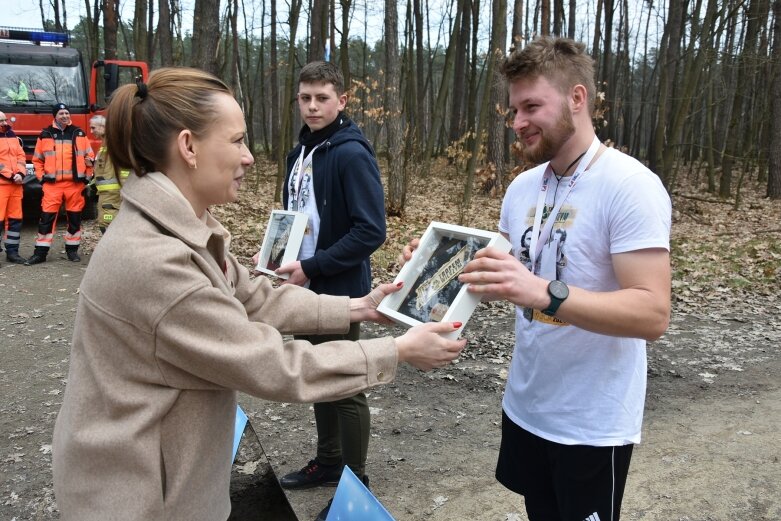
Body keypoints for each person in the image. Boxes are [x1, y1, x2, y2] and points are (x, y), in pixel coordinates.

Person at [51, 67, 466, 521]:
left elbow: (256, 297)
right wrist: (400, 351)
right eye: (237, 141)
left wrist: (358, 306)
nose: (249, 157)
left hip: (162, 480)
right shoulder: (157, 262)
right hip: (139, 498)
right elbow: (272, 365)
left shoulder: (184, 227)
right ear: (188, 147)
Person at [405, 37, 672, 521]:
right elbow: (497, 279)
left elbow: (652, 313)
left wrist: (545, 291)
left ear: (577, 98)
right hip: (528, 405)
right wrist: (431, 269)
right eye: (513, 110)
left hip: (591, 423)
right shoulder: (523, 187)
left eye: (531, 106)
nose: (518, 122)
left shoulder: (630, 186)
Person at [270, 61, 387, 521]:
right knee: (317, 374)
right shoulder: (301, 152)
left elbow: (370, 231)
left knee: (345, 381)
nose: (313, 106)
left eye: (322, 97)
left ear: (342, 100)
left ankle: (355, 487)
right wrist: (279, 258)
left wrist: (314, 265)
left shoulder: (350, 153)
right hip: (303, 282)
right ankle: (329, 460)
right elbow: (297, 215)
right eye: (305, 97)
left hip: (338, 287)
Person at [27, 103, 95, 264]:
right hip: (52, 185)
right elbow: (37, 160)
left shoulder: (79, 133)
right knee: (46, 220)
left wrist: (86, 177)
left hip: (75, 185)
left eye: (66, 113)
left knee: (74, 219)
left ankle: (72, 251)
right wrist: (42, 178)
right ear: (55, 116)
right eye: (61, 113)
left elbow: (90, 158)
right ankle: (40, 253)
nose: (65, 116)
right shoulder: (45, 134)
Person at [89, 114, 130, 234]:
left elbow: (124, 170)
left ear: (103, 127)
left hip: (114, 196)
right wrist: (92, 185)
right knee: (105, 225)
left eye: (93, 128)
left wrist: (125, 190)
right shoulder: (106, 144)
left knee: (109, 227)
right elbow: (105, 169)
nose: (91, 131)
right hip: (106, 196)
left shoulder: (115, 144)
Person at [0, 111, 28, 265]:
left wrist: (21, 174)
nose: (5, 123)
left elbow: (21, 156)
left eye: (5, 120)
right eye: (1, 121)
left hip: (16, 185)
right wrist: (11, 175)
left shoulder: (12, 135)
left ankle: (13, 252)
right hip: (3, 185)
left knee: (15, 221)